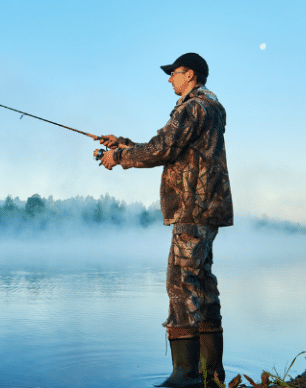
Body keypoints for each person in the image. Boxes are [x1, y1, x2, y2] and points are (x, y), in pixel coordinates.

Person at [98, 53, 233, 388]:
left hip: (192, 207)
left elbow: (164, 149)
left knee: (181, 283)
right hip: (209, 207)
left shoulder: (191, 108)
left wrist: (119, 157)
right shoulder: (211, 108)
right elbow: (173, 147)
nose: (169, 79)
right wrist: (125, 144)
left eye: (172, 73)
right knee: (202, 283)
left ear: (188, 74)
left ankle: (184, 376)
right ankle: (211, 374)